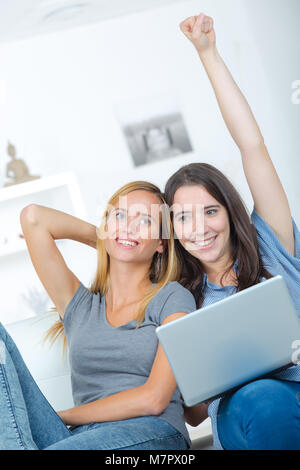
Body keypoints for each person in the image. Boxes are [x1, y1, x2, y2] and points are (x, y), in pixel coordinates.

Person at [164, 13, 300, 450]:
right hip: (247, 411)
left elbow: (252, 145)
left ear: (230, 210)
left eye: (210, 211)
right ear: (171, 227)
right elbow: (192, 412)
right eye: (183, 217)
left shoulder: (271, 242)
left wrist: (208, 53)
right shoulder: (180, 297)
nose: (199, 229)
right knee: (260, 399)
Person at [0, 180, 196, 450]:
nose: (129, 225)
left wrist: (63, 416)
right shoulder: (79, 305)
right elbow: (33, 217)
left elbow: (155, 399)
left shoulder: (172, 298)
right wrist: (111, 241)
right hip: (79, 439)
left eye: (145, 221)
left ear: (161, 243)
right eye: (120, 215)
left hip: (152, 431)